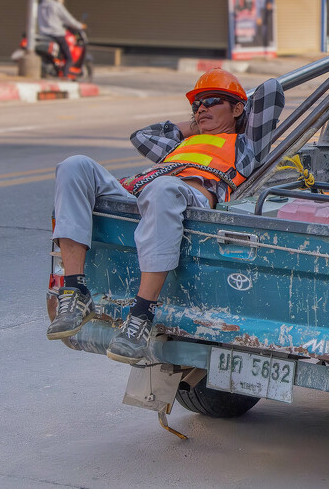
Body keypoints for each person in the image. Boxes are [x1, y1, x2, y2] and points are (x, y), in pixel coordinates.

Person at [46, 69, 285, 363]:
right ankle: (75, 290)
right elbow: (141, 137)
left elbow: (271, 90)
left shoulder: (246, 145)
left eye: (211, 101)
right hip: (144, 191)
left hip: (185, 195)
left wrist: (237, 116)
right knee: (73, 165)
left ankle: (141, 315)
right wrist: (198, 124)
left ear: (238, 108)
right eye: (197, 104)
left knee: (162, 189)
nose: (202, 108)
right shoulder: (179, 143)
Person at [38, 0, 86, 77]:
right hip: (56, 34)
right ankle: (64, 76)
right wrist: (80, 25)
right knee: (69, 58)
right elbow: (68, 19)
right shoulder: (56, 5)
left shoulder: (41, 5)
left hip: (43, 34)